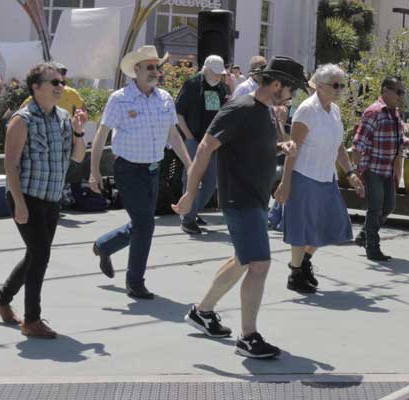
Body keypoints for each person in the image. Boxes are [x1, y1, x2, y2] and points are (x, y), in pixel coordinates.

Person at [173, 56, 306, 359]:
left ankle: (202, 311)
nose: (292, 95)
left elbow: (251, 145)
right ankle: (248, 337)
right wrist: (190, 194)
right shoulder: (240, 108)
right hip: (240, 199)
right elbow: (206, 146)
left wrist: (280, 147)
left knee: (243, 260)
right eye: (291, 89)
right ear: (276, 85)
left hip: (255, 198)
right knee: (259, 264)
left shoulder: (266, 112)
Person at [0, 63, 89, 338]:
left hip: (52, 198)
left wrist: (79, 131)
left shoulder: (63, 118)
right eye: (54, 82)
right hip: (27, 197)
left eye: (62, 82)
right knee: (41, 255)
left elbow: (78, 157)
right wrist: (19, 203)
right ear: (36, 87)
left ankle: (1, 300)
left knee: (35, 254)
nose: (60, 87)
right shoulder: (22, 120)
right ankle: (31, 320)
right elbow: (10, 166)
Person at [88, 46, 194, 300]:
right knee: (146, 225)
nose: (154, 72)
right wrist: (94, 172)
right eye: (149, 67)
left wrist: (190, 165)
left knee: (142, 223)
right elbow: (102, 135)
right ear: (136, 70)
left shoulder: (165, 98)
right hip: (128, 170)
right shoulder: (120, 98)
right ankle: (135, 282)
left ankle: (104, 245)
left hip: (153, 170)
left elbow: (173, 135)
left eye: (157, 68)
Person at [274, 64, 364, 294]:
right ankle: (295, 274)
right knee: (301, 228)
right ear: (321, 86)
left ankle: (303, 262)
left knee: (329, 225)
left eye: (342, 85)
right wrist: (285, 183)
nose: (340, 90)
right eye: (336, 85)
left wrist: (350, 172)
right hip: (304, 176)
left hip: (327, 177)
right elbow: (292, 150)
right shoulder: (306, 110)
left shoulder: (333, 111)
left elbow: (339, 146)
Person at [351, 77, 409, 261]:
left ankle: (364, 235)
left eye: (402, 92)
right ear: (386, 90)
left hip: (387, 169)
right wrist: (355, 170)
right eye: (398, 92)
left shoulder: (394, 113)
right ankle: (373, 248)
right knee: (375, 208)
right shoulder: (373, 112)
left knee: (389, 205)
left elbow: (399, 139)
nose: (401, 96)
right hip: (373, 168)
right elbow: (359, 142)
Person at [174, 55, 232, 235]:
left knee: (210, 182)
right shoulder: (192, 85)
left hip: (212, 142)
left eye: (219, 74)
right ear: (205, 69)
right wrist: (190, 137)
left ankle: (190, 211)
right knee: (191, 179)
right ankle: (189, 218)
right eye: (214, 73)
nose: (217, 77)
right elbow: (179, 113)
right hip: (194, 140)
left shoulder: (222, 88)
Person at [19, 62, 86, 115]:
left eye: (63, 72)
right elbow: (22, 110)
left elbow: (82, 107)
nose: (61, 75)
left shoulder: (71, 92)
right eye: (55, 82)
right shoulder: (36, 98)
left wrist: (78, 121)